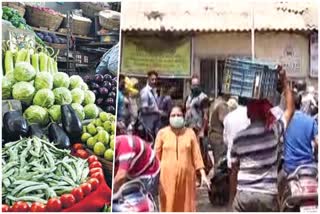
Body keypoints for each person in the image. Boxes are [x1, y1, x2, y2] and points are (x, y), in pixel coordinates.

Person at [229, 67, 294, 212]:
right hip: (267, 196)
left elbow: (233, 171)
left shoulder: (239, 138)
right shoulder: (273, 132)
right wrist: (284, 81)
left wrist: (231, 198)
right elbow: (290, 109)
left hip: (244, 196)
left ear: (248, 113)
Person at [155, 105, 210, 212]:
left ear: (183, 117)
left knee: (186, 206)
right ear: (169, 117)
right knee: (168, 205)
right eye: (173, 115)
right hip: (166, 179)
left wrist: (203, 175)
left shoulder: (190, 133)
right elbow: (155, 158)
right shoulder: (162, 133)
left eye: (179, 115)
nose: (176, 117)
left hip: (187, 180)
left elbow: (197, 155)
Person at [113, 134, 160, 200]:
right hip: (136, 166)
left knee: (138, 200)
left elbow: (120, 177)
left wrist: (112, 194)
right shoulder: (116, 142)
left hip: (148, 172)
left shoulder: (125, 152)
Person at [283, 91, 318, 174]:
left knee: (279, 180)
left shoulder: (284, 121)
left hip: (290, 168)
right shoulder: (311, 120)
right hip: (309, 167)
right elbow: (317, 143)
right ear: (300, 104)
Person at [223, 97, 250, 169]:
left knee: (232, 177)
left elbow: (225, 140)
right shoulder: (250, 116)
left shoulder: (228, 117)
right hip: (247, 158)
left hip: (232, 157)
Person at [208, 92, 230, 164]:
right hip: (219, 137)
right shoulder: (222, 105)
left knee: (217, 161)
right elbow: (224, 119)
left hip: (214, 135)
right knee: (220, 163)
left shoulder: (216, 102)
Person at [140, 71, 163, 138]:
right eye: (152, 79)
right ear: (148, 79)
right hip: (147, 124)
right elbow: (144, 109)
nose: (154, 81)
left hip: (154, 124)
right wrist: (156, 111)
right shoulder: (145, 92)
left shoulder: (153, 91)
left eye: (155, 79)